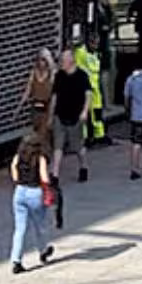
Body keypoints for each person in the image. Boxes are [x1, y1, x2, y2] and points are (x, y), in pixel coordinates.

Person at [8, 126, 54, 272]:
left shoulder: (19, 156)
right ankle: (43, 251)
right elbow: (44, 177)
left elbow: (13, 168)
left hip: (19, 192)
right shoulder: (39, 158)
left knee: (20, 228)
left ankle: (16, 260)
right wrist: (50, 187)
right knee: (39, 226)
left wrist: (18, 181)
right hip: (35, 192)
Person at [49, 49, 92, 186]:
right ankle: (55, 175)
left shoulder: (82, 76)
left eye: (64, 60)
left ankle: (83, 166)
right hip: (60, 115)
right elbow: (54, 96)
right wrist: (51, 115)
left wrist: (85, 111)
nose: (61, 62)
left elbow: (88, 95)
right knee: (58, 145)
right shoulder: (59, 76)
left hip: (76, 115)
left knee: (78, 146)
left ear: (71, 60)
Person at [74, 31, 108, 147]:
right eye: (94, 44)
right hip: (85, 88)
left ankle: (99, 136)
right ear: (89, 42)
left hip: (95, 88)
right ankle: (84, 138)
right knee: (84, 113)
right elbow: (79, 69)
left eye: (97, 44)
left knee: (97, 113)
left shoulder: (96, 54)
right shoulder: (80, 52)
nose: (96, 46)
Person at [19, 49, 54, 128]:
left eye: (45, 60)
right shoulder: (34, 72)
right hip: (37, 105)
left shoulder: (51, 74)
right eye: (41, 59)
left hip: (47, 107)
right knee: (36, 126)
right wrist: (20, 106)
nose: (43, 62)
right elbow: (28, 90)